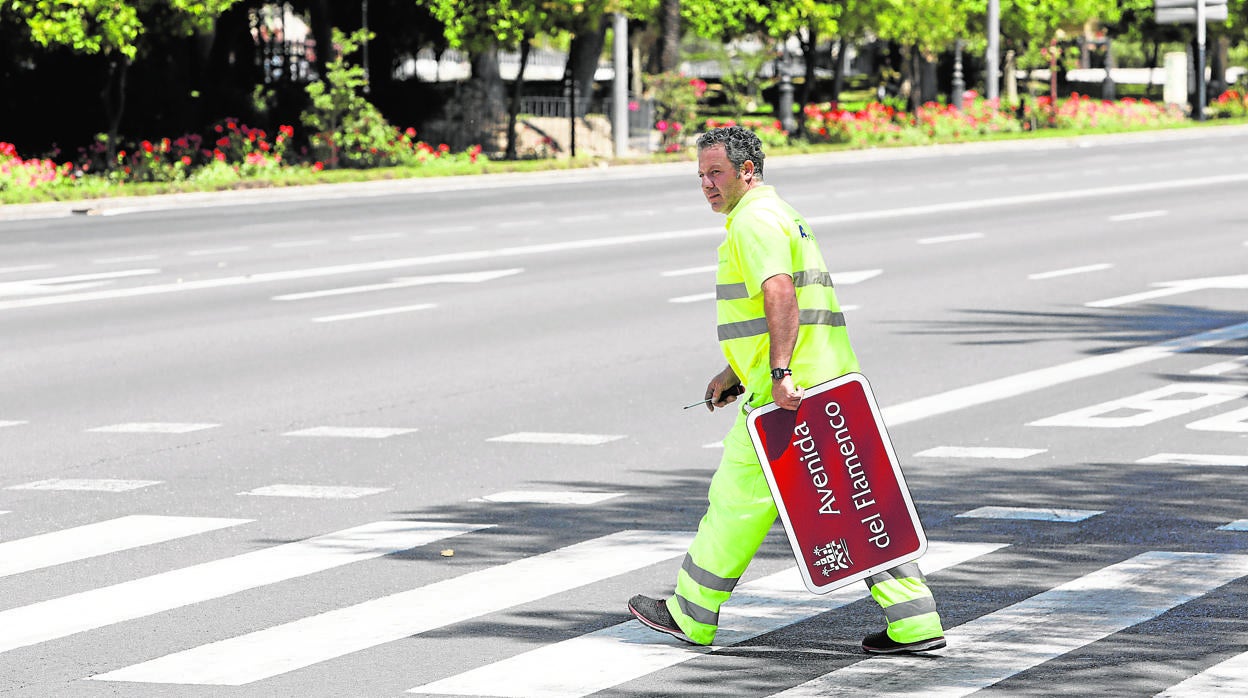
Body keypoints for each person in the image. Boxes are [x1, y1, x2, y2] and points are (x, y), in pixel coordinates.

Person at [627, 125, 946, 654]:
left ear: (746, 172)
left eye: (716, 173)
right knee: (857, 503)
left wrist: (775, 374)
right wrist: (737, 370)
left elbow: (780, 293)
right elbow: (777, 306)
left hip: (786, 396)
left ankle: (691, 612)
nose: (707, 184)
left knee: (735, 501)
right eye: (700, 175)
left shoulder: (751, 221)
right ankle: (915, 623)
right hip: (826, 383)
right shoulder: (781, 215)